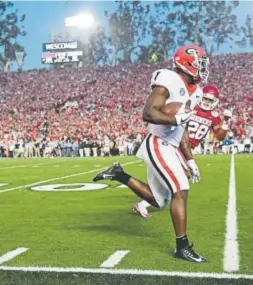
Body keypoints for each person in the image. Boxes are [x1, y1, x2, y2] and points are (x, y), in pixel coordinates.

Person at [93, 45, 208, 262]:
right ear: (187, 64)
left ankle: (119, 174)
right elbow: (148, 112)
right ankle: (182, 247)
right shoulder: (170, 79)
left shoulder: (197, 92)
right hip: (158, 142)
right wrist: (175, 119)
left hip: (170, 146)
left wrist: (190, 159)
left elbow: (181, 128)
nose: (203, 69)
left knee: (159, 201)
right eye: (200, 64)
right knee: (181, 189)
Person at [135, 85, 230, 217]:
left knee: (166, 187)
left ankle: (143, 202)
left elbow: (219, 137)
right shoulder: (190, 107)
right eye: (205, 99)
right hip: (175, 145)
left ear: (215, 102)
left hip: (187, 149)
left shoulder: (214, 116)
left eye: (210, 101)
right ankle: (145, 201)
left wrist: (225, 123)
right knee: (181, 177)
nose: (207, 103)